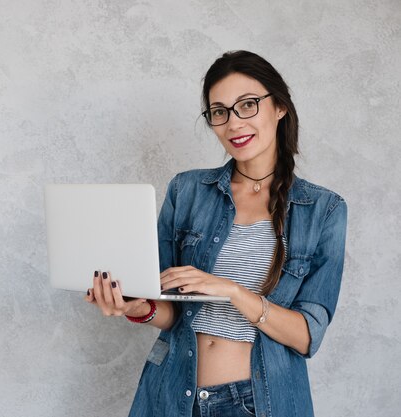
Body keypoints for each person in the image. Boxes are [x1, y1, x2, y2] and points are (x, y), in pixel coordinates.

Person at [84, 50, 347, 417]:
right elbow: (170, 309)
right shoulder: (187, 191)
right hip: (171, 394)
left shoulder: (323, 209)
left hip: (256, 403)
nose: (234, 123)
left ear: (280, 107)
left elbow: (306, 336)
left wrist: (232, 291)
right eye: (220, 112)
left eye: (248, 105)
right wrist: (135, 307)